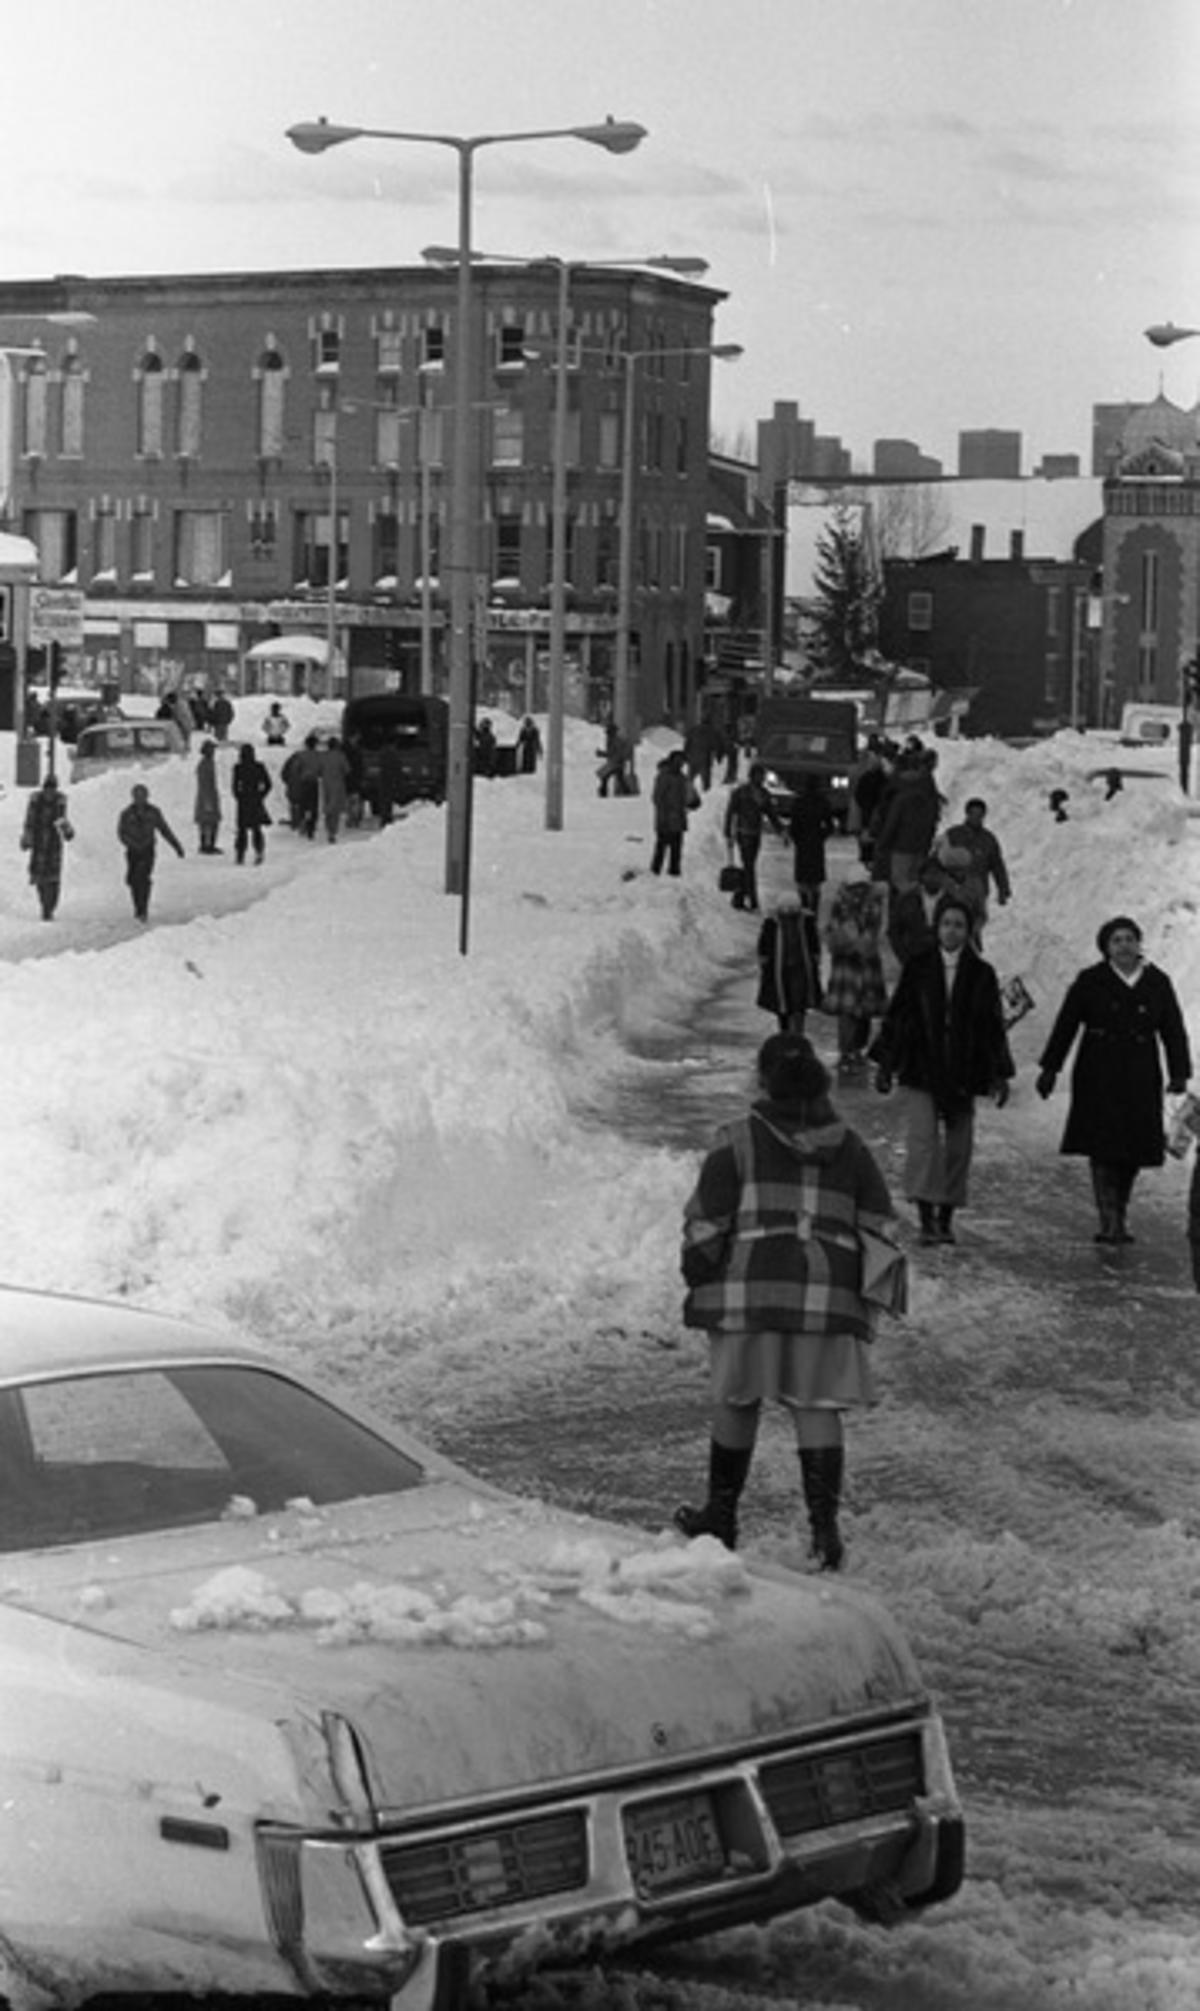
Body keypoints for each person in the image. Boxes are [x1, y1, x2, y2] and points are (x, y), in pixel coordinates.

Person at [673, 1032, 905, 1569]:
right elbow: (878, 1222)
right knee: (816, 1406)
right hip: (826, 1299)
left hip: (747, 1291)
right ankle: (825, 1533)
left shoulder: (735, 1140)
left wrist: (697, 1271)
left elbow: (707, 1221)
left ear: (761, 1079)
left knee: (737, 1399)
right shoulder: (849, 1146)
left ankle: (722, 1516)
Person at [1036, 915, 1191, 1246]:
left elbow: (1173, 1028)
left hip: (1140, 1071)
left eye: (1129, 939)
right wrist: (1051, 1068)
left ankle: (1120, 1206)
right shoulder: (1091, 980)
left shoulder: (1157, 982)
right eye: (1116, 940)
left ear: (1139, 944)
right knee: (1103, 1145)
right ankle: (1110, 1219)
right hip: (1098, 1070)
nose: (1123, 945)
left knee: (1133, 1146)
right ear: (1106, 948)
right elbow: (1067, 1024)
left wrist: (1180, 1072)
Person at [871, 893, 1014, 1247]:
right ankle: (925, 1217)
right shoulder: (919, 967)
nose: (952, 931)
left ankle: (946, 1214)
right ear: (937, 927)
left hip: (964, 1070)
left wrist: (999, 1072)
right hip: (922, 1065)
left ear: (968, 931)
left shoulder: (981, 973)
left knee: (958, 1146)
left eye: (959, 925)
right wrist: (887, 1063)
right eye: (946, 924)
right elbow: (900, 1016)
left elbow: (993, 1026)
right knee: (922, 1143)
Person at [823, 861, 888, 1073]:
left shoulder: (875, 904)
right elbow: (831, 930)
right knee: (847, 1011)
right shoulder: (839, 904)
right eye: (855, 888)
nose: (858, 892)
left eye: (861, 888)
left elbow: (875, 931)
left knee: (865, 1012)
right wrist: (847, 942)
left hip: (866, 964)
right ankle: (845, 1051)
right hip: (846, 966)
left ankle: (858, 1049)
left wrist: (861, 943)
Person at [937, 797, 1011, 931]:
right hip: (953, 888)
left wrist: (1003, 889)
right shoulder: (953, 834)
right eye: (973, 814)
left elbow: (997, 865)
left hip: (978, 890)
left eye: (980, 815)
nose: (976, 818)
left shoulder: (988, 839)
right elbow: (939, 857)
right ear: (967, 813)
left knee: (974, 923)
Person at [116, 783, 184, 923]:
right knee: (132, 879)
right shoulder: (126, 814)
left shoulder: (154, 812)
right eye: (137, 796)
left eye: (142, 796)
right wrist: (131, 844)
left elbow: (164, 830)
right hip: (133, 851)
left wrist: (176, 846)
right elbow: (121, 833)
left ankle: (143, 909)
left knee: (143, 878)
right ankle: (137, 905)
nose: (140, 799)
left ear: (147, 797)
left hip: (148, 850)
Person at [723, 762, 782, 913]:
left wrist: (780, 829)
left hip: (755, 833)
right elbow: (731, 813)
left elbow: (771, 814)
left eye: (762, 776)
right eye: (759, 775)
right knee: (749, 866)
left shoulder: (763, 793)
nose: (761, 778)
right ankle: (752, 899)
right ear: (752, 776)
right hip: (743, 833)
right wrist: (728, 832)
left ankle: (740, 897)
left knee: (749, 865)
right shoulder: (741, 793)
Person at [756, 894, 820, 1032]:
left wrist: (815, 956)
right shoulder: (772, 923)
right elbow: (764, 943)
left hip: (800, 969)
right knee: (784, 1004)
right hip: (781, 970)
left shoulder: (805, 922)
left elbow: (813, 942)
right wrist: (764, 959)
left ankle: (796, 1032)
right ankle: (786, 1032)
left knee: (798, 1003)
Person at [20, 772, 73, 921]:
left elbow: (61, 820)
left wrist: (67, 831)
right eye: (47, 787)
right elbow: (29, 821)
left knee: (53, 879)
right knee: (40, 878)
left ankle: (50, 905)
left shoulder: (59, 802)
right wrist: (27, 838)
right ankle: (45, 907)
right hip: (39, 844)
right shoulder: (36, 801)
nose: (50, 791)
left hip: (53, 844)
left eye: (52, 788)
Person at [887, 852, 948, 965]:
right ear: (921, 876)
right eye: (930, 874)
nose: (934, 878)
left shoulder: (952, 902)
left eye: (938, 874)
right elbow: (894, 931)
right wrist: (903, 957)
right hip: (912, 957)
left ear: (944, 876)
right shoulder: (906, 900)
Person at [650, 749, 691, 877]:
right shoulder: (664, 777)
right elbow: (657, 798)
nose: (680, 764)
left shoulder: (682, 778)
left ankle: (674, 871)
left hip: (678, 818)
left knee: (676, 849)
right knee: (661, 848)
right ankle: (655, 872)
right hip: (666, 820)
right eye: (678, 762)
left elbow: (686, 796)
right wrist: (665, 816)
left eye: (682, 762)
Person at [232, 742, 272, 865]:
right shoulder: (259, 767)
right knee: (256, 829)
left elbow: (234, 786)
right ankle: (259, 852)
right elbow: (268, 784)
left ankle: (240, 854)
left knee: (242, 830)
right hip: (255, 799)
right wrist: (261, 795)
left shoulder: (238, 768)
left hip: (243, 800)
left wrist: (239, 796)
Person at [193, 739, 223, 854]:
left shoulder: (209, 763)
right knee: (208, 822)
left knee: (209, 821)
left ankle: (208, 844)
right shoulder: (205, 764)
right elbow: (205, 783)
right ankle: (207, 845)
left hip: (209, 795)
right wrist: (207, 801)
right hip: (207, 796)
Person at [320, 735, 352, 842]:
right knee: (335, 809)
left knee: (327, 807)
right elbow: (347, 770)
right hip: (337, 784)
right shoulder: (340, 756)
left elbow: (319, 769)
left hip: (325, 784)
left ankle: (328, 829)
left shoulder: (323, 756)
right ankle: (332, 832)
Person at [596, 721, 631, 798]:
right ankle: (627, 792)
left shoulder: (615, 741)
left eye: (608, 732)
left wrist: (602, 754)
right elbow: (613, 753)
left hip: (616, 763)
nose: (607, 734)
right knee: (619, 778)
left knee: (605, 776)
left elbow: (614, 753)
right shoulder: (613, 740)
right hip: (616, 763)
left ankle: (603, 792)